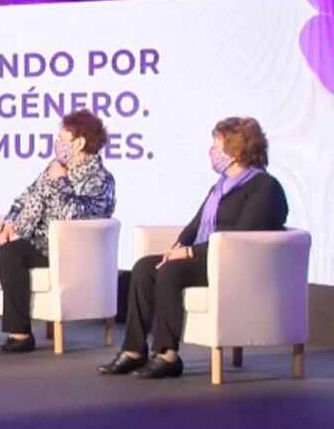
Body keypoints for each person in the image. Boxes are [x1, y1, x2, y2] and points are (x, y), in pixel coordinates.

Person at [99, 117, 288, 379]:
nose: (212, 153)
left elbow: (241, 238)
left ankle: (167, 355)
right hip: (207, 256)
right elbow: (196, 224)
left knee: (172, 272)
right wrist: (179, 245)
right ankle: (134, 350)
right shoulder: (221, 186)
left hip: (235, 264)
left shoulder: (264, 187)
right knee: (145, 267)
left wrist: (188, 253)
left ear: (234, 150)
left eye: (216, 145)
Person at [0, 110, 116, 352]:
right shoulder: (54, 168)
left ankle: (20, 334)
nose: (57, 145)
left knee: (11, 254)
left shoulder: (100, 178)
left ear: (79, 143)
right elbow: (24, 199)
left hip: (62, 248)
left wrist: (61, 182)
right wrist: (9, 223)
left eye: (62, 140)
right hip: (29, 236)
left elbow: (75, 215)